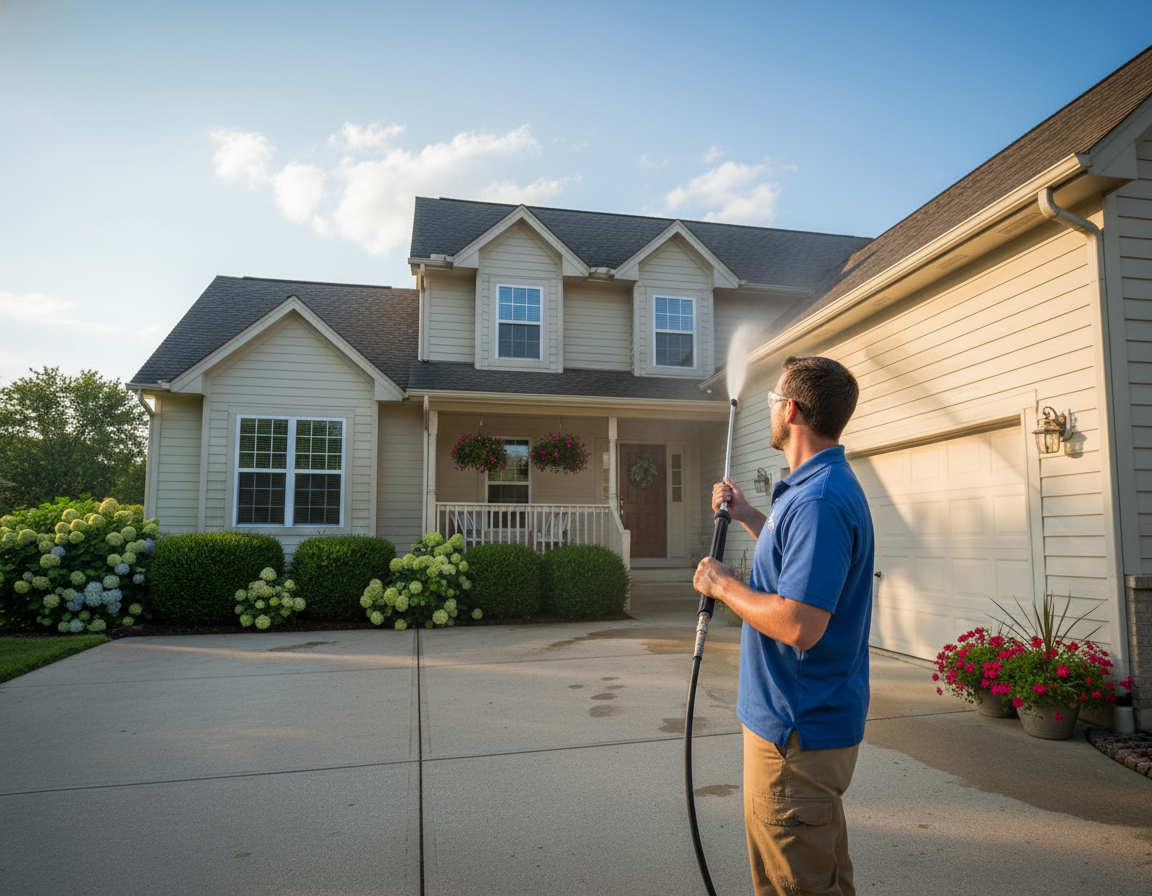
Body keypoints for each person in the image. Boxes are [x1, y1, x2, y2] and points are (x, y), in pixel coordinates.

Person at [693, 355, 874, 896]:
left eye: (774, 400)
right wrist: (749, 515)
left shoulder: (818, 499)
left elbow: (799, 624)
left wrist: (722, 585)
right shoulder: (811, 489)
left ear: (791, 410)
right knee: (814, 879)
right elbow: (798, 561)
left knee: (791, 886)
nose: (770, 408)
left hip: (796, 735)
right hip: (794, 727)